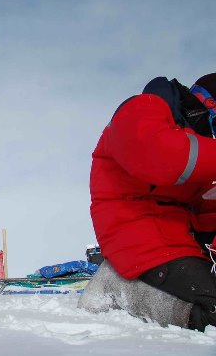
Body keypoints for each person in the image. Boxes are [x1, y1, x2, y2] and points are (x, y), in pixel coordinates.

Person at [82, 73, 216, 331]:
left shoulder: (195, 143)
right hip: (138, 238)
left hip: (180, 241)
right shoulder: (144, 108)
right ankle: (117, 288)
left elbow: (202, 210)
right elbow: (162, 156)